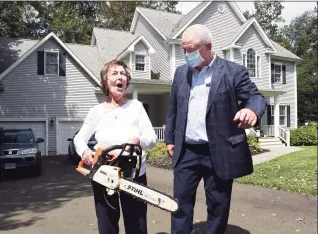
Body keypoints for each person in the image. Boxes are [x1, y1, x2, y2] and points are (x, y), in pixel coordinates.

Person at [165, 24, 266, 234]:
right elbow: (174, 109)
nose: (186, 54)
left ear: (208, 46)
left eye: (190, 49)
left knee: (218, 205)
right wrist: (170, 139)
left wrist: (252, 112)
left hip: (219, 151)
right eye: (183, 49)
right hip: (187, 152)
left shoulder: (233, 72)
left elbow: (255, 97)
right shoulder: (181, 73)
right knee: (179, 203)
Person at [74, 59, 157, 234]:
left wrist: (138, 140)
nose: (120, 77)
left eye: (123, 74)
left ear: (127, 81)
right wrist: (85, 151)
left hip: (133, 174)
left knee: (137, 225)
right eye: (114, 73)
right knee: (107, 224)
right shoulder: (96, 111)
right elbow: (79, 138)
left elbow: (152, 138)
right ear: (105, 81)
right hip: (104, 174)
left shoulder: (136, 107)